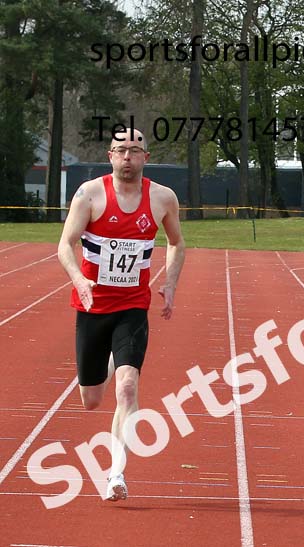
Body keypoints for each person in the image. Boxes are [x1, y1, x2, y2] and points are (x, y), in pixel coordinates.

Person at [57, 128, 185, 500]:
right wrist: (80, 279)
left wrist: (171, 284)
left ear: (146, 155)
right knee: (92, 399)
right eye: (120, 150)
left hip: (132, 305)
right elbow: (65, 244)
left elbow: (176, 242)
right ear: (110, 155)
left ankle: (116, 474)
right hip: (93, 305)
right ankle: (108, 365)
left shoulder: (162, 198)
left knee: (128, 387)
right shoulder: (89, 194)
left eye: (135, 150)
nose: (127, 156)